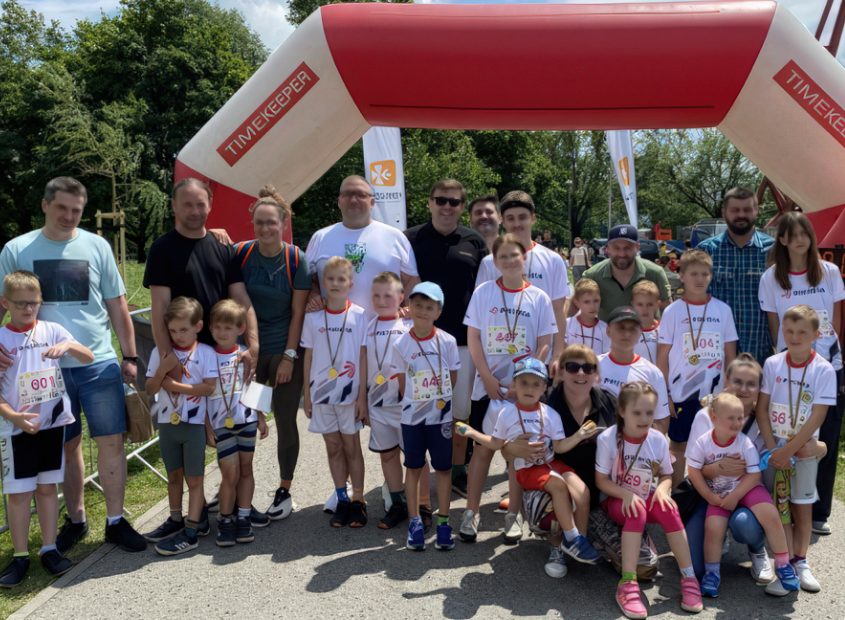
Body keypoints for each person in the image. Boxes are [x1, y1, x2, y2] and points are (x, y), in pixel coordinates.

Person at [0, 176, 146, 553]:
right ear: (45, 205)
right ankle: (76, 518)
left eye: (77, 211)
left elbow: (117, 305)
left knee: (111, 440)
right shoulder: (16, 249)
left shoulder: (97, 245)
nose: (69, 216)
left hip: (96, 362)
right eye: (62, 208)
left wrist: (129, 356)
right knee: (67, 446)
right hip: (41, 369)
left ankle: (115, 520)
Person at [144, 178, 262, 524]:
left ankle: (239, 505)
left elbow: (241, 300)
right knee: (197, 440)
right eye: (187, 204)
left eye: (201, 204)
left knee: (239, 430)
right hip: (189, 359)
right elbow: (158, 308)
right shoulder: (162, 248)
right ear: (174, 207)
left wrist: (253, 343)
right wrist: (170, 361)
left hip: (225, 358)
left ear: (210, 205)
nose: (195, 211)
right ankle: (187, 515)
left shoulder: (224, 248)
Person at [456, 357, 601, 567]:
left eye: (536, 384)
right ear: (514, 385)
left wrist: (579, 435)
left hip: (550, 464)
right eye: (523, 382)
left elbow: (559, 447)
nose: (529, 388)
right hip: (527, 468)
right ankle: (571, 538)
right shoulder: (506, 413)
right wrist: (471, 432)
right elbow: (496, 443)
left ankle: (579, 541)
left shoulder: (550, 414)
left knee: (582, 491)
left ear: (544, 388)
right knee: (559, 487)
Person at [0, 271, 94, 586]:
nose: (28, 309)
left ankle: (50, 549)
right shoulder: (1, 340)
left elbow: (88, 354)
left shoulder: (52, 330)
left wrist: (68, 344)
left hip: (52, 424)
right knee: (18, 493)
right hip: (15, 429)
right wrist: (11, 415)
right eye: (21, 304)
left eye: (34, 303)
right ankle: (20, 556)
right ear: (5, 303)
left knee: (47, 488)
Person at [461, 234, 555, 544]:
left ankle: (513, 516)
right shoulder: (484, 292)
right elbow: (474, 338)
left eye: (515, 255)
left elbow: (544, 343)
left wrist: (524, 379)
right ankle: (471, 513)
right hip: (487, 387)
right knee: (483, 450)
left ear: (524, 257)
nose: (510, 261)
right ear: (495, 260)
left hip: (523, 389)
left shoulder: (539, 297)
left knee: (518, 453)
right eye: (503, 256)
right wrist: (487, 377)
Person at [758, 211, 845, 536]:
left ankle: (817, 511)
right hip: (789, 367)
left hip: (826, 366)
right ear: (781, 239)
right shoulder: (771, 277)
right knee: (788, 429)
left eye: (804, 233)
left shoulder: (830, 272)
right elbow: (774, 326)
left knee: (825, 435)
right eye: (792, 234)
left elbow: (834, 322)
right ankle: (784, 506)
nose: (799, 240)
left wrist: (832, 357)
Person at [405, 179, 488, 499]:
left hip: (464, 342)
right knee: (420, 407)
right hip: (420, 342)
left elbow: (484, 291)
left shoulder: (475, 241)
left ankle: (456, 471)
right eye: (441, 200)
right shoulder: (410, 239)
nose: (447, 207)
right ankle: (416, 470)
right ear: (429, 203)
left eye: (454, 202)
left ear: (462, 207)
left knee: (460, 412)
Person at [595, 382, 703, 619]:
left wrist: (664, 491)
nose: (644, 419)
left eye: (650, 412)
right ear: (622, 411)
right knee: (637, 511)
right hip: (617, 498)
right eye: (637, 412)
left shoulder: (657, 439)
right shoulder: (608, 438)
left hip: (646, 494)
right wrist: (625, 494)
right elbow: (601, 480)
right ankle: (628, 583)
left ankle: (689, 577)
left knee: (670, 510)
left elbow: (666, 474)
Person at [236, 186, 310, 521]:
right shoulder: (240, 254)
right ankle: (238, 490)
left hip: (283, 354)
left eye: (271, 223)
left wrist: (289, 357)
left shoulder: (296, 258)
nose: (265, 229)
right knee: (249, 419)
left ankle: (284, 489)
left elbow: (299, 313)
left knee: (284, 421)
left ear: (283, 223)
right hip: (250, 357)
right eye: (259, 223)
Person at [756, 305, 837, 593]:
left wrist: (789, 449)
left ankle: (801, 562)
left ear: (817, 335)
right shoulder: (773, 363)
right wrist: (771, 449)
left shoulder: (824, 370)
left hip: (802, 452)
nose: (794, 336)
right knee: (780, 511)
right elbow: (762, 409)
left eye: (803, 332)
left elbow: (818, 417)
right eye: (789, 331)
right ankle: (784, 568)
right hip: (774, 453)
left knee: (802, 511)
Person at [686, 392, 799, 598]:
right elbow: (693, 472)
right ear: (713, 418)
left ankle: (783, 566)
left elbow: (754, 475)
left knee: (770, 514)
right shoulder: (703, 442)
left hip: (747, 487)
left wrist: (736, 496)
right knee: (713, 528)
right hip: (718, 492)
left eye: (740, 418)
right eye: (731, 418)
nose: (738, 423)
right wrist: (710, 497)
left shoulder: (744, 442)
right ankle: (712, 574)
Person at [656, 249, 738, 488]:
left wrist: (729, 392)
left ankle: (710, 493)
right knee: (679, 444)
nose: (699, 279)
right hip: (681, 393)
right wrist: (666, 395)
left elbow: (730, 355)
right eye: (693, 274)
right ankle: (679, 495)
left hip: (714, 395)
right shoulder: (672, 312)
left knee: (712, 443)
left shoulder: (723, 310)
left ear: (711, 276)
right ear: (681, 276)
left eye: (705, 274)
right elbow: (662, 358)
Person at [144, 297, 217, 556]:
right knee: (173, 476)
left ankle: (192, 532)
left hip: (194, 425)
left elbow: (209, 387)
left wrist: (175, 386)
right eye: (172, 331)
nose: (178, 335)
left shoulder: (206, 352)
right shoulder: (161, 353)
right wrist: (163, 369)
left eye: (183, 329)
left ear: (198, 326)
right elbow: (150, 388)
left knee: (194, 479)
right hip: (168, 424)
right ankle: (175, 519)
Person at [301, 257, 369, 528]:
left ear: (350, 283)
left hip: (350, 396)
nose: (336, 283)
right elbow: (308, 357)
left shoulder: (360, 315)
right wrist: (307, 395)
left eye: (342, 279)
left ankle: (359, 500)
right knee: (332, 446)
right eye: (330, 279)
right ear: (322, 284)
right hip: (321, 395)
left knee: (352, 446)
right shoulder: (313, 317)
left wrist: (362, 396)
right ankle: (342, 497)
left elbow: (363, 356)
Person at [393, 282, 461, 551]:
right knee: (413, 467)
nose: (423, 311)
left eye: (429, 307)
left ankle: (444, 521)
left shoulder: (448, 341)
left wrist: (437, 401)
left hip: (440, 418)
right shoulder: (400, 343)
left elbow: (452, 378)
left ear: (438, 311)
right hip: (412, 419)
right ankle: (415, 522)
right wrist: (418, 402)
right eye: (418, 305)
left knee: (443, 469)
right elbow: (401, 383)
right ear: (409, 307)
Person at [475, 191, 570, 379]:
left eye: (522, 217)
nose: (517, 223)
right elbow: (481, 315)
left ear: (533, 218)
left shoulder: (552, 260)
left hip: (541, 356)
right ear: (501, 220)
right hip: (498, 359)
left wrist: (557, 354)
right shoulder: (489, 262)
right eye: (510, 218)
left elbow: (559, 310)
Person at [306, 175, 419, 321]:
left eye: (361, 195)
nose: (353, 200)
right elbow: (308, 279)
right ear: (339, 202)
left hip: (384, 334)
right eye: (347, 194)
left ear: (372, 202)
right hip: (335, 333)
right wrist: (313, 295)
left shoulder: (395, 236)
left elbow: (411, 280)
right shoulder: (320, 237)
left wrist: (408, 314)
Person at [206, 300, 269, 547]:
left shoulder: (246, 353)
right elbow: (201, 394)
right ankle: (225, 519)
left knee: (246, 469)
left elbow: (254, 384)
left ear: (240, 329)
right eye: (218, 327)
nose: (223, 332)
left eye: (228, 328)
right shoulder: (205, 354)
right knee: (229, 473)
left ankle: (243, 517)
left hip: (247, 421)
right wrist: (206, 427)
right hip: (220, 424)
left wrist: (261, 417)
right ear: (210, 328)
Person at [696, 187, 775, 367]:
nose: (741, 215)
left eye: (747, 210)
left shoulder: (773, 251)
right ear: (724, 213)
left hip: (759, 352)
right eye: (735, 210)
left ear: (757, 211)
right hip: (713, 352)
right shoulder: (706, 251)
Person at [364, 272, 412, 529]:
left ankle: (421, 505)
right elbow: (363, 365)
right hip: (378, 404)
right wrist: (362, 400)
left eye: (389, 295)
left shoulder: (409, 325)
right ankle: (397, 503)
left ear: (401, 297)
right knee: (387, 455)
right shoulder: (368, 326)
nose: (382, 301)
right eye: (376, 295)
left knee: (414, 456)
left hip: (406, 404)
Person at [596, 307, 670, 434]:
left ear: (640, 333)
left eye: (632, 329)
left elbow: (661, 421)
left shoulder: (652, 372)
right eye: (621, 328)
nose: (627, 334)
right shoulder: (592, 366)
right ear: (608, 331)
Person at [578, 225, 671, 323]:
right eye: (616, 248)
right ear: (608, 249)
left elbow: (667, 309)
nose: (622, 254)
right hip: (608, 336)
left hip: (648, 336)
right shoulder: (593, 275)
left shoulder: (655, 273)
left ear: (637, 248)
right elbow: (574, 304)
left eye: (628, 248)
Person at [564, 278, 609, 355]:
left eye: (596, 301)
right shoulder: (567, 325)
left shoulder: (605, 329)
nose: (592, 306)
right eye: (587, 302)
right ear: (577, 303)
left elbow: (606, 356)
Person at [631, 281, 660, 364]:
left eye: (650, 304)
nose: (645, 309)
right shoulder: (628, 331)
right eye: (640, 305)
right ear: (633, 305)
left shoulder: (664, 329)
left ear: (658, 305)